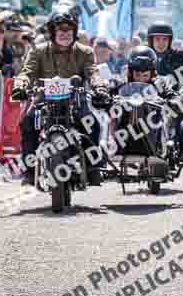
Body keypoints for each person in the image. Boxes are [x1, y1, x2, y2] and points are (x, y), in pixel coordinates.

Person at [11, 11, 110, 186]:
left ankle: (92, 167)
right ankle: (30, 169)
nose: (65, 33)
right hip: (43, 99)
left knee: (92, 124)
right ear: (52, 31)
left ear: (74, 31)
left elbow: (93, 72)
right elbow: (26, 72)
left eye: (69, 29)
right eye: (60, 29)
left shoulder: (85, 52)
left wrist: (100, 88)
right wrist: (20, 86)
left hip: (75, 99)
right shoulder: (38, 51)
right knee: (27, 122)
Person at [146, 22, 183, 93]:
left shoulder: (176, 57)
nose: (161, 43)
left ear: (169, 41)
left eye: (165, 39)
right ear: (151, 40)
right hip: (144, 99)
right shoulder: (143, 55)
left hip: (170, 99)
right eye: (157, 39)